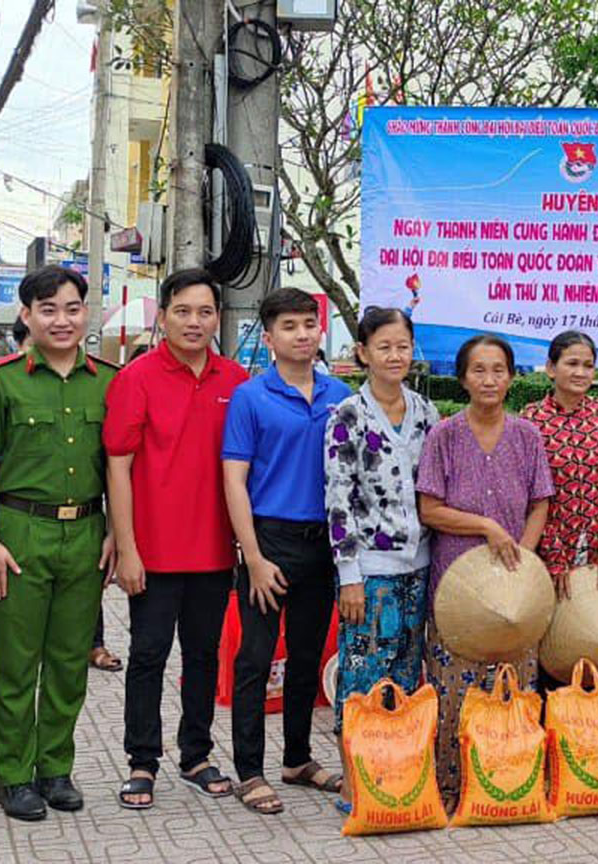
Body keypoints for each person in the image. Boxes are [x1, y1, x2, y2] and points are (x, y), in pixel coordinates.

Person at [0, 265, 118, 821]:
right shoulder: (2, 381)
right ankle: (14, 775)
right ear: (26, 316)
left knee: (68, 662)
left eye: (72, 308)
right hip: (19, 533)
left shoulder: (107, 379)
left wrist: (115, 536)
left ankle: (55, 767)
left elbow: (119, 468)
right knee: (14, 663)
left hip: (85, 533)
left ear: (86, 313)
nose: (62, 320)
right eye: (48, 309)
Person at [105, 268, 249, 810]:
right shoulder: (136, 378)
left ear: (218, 318)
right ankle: (142, 762)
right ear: (162, 316)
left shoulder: (236, 382)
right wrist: (127, 547)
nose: (194, 322)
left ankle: (196, 754)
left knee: (204, 657)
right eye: (183, 311)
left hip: (214, 551)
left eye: (205, 312)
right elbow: (118, 468)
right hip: (154, 552)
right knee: (146, 656)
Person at [222, 289, 352, 815]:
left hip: (323, 543)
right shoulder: (251, 398)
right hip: (267, 540)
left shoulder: (340, 395)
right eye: (290, 326)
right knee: (255, 659)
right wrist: (251, 556)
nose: (302, 334)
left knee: (305, 656)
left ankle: (297, 758)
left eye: (309, 324)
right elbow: (235, 480)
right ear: (270, 336)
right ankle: (249, 771)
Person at [417, 334, 553, 804]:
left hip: (516, 588)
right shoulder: (445, 434)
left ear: (512, 377)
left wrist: (525, 559)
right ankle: (454, 788)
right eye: (479, 370)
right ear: (462, 378)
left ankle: (510, 785)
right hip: (458, 584)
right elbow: (429, 508)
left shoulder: (527, 435)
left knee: (513, 688)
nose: (489, 379)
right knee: (455, 691)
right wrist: (486, 527)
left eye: (498, 370)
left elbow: (540, 501)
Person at [324, 306, 439, 810]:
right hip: (370, 571)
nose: (395, 356)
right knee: (362, 677)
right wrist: (348, 576)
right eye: (384, 347)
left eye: (402, 346)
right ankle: (353, 781)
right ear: (363, 353)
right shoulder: (347, 416)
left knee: (407, 677)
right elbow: (337, 500)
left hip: (420, 565)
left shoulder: (426, 413)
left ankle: (394, 777)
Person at [520, 330, 598, 604]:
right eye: (572, 363)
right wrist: (553, 556)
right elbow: (529, 495)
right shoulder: (531, 419)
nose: (581, 372)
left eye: (588, 365)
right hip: (550, 550)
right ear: (551, 368)